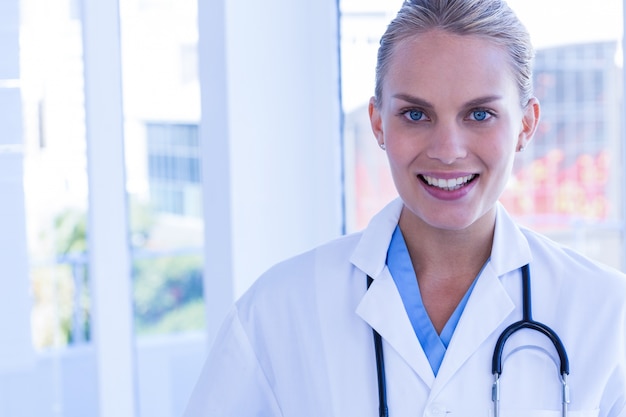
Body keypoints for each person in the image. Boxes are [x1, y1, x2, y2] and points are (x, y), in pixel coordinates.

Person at [183, 0, 626, 415]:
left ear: (526, 124)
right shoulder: (278, 311)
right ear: (378, 123)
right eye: (416, 115)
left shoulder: (605, 311)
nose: (448, 151)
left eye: (479, 115)